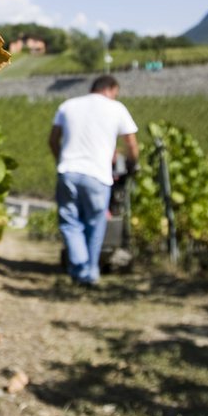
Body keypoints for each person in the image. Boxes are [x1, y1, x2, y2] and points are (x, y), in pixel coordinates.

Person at [48, 75, 139, 286]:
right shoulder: (116, 108)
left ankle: (79, 266)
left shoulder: (68, 105)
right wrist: (133, 164)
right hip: (98, 175)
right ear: (110, 89)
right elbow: (131, 144)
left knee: (70, 223)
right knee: (95, 224)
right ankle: (90, 272)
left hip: (68, 171)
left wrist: (61, 160)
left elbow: (53, 140)